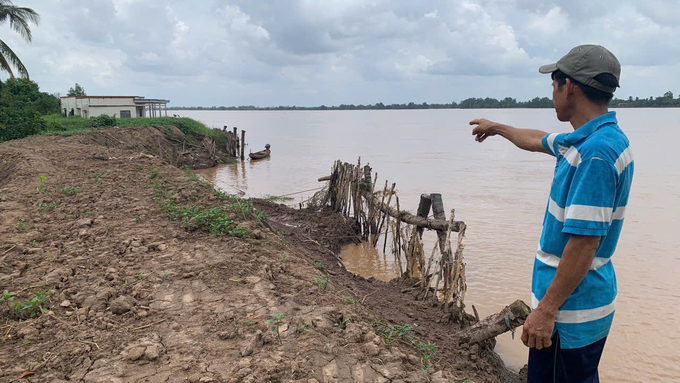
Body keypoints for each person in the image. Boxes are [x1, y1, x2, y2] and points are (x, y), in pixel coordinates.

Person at [469, 45, 634, 382]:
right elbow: (537, 139)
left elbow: (584, 244)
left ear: (568, 86)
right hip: (574, 305)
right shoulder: (587, 139)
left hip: (570, 313)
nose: (552, 93)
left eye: (553, 85)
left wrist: (545, 311)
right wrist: (497, 127)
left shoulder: (595, 155)